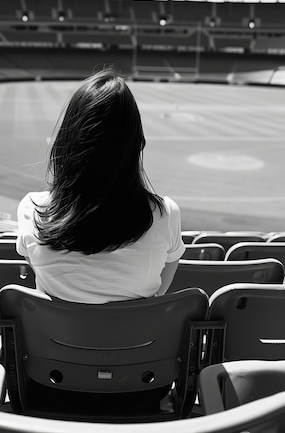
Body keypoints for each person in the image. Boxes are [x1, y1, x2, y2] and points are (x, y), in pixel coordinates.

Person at [16, 67, 185, 304]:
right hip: (138, 340)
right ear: (136, 143)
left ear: (68, 139)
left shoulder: (31, 210)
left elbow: (42, 277)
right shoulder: (166, 214)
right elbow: (157, 293)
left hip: (53, 339)